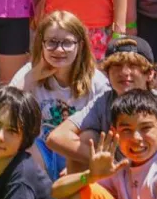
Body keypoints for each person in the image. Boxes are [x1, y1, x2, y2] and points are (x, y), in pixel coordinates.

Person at [45, 37, 157, 185]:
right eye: (117, 66)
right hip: (122, 184)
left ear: (149, 74)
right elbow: (56, 137)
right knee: (87, 137)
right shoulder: (104, 101)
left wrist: (118, 171)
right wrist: (103, 162)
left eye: (133, 65)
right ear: (107, 74)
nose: (124, 72)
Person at [7, 10, 111, 177]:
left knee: (89, 135)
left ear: (81, 45)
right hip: (40, 150)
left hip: (76, 154)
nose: (59, 49)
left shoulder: (97, 82)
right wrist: (34, 76)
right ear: (41, 44)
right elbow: (4, 110)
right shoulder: (29, 73)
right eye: (52, 42)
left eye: (67, 43)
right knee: (18, 141)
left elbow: (107, 128)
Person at [50, 90, 157, 199]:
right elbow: (57, 191)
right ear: (115, 133)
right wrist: (90, 176)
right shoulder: (122, 168)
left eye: (145, 128)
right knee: (82, 190)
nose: (136, 138)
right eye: (127, 130)